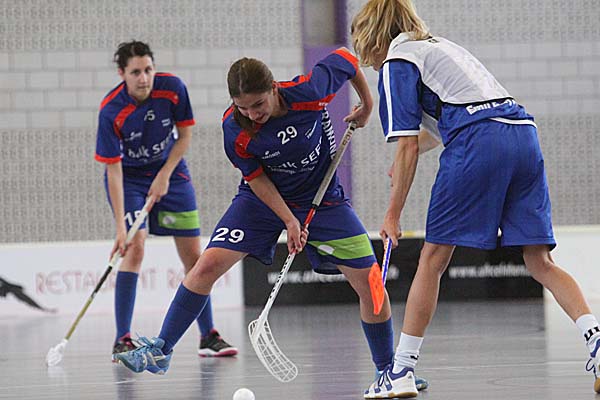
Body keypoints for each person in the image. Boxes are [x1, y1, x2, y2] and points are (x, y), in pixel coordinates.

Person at [113, 47, 428, 391]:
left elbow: (347, 58)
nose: (252, 114)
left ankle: (389, 371)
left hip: (324, 200)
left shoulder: (309, 91)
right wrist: (290, 221)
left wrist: (367, 105)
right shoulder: (235, 128)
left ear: (273, 89)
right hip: (260, 201)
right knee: (206, 266)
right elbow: (256, 178)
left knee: (370, 283)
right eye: (243, 107)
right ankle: (162, 349)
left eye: (258, 104)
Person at [351, 0, 600, 398]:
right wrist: (405, 161)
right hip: (522, 133)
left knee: (432, 259)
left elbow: (409, 145)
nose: (367, 60)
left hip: (478, 140)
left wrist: (392, 214)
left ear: (373, 36)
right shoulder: (440, 47)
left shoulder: (398, 60)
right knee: (540, 261)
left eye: (364, 48)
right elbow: (452, 121)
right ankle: (596, 341)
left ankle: (401, 371)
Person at [94, 40, 237, 361]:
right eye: (135, 72)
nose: (144, 78)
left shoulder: (172, 89)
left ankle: (208, 336)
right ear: (122, 74)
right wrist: (120, 229)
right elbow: (113, 171)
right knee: (135, 248)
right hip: (130, 180)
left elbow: (184, 136)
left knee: (195, 257)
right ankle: (122, 339)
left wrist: (164, 175)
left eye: (148, 69)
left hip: (171, 173)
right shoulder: (111, 110)